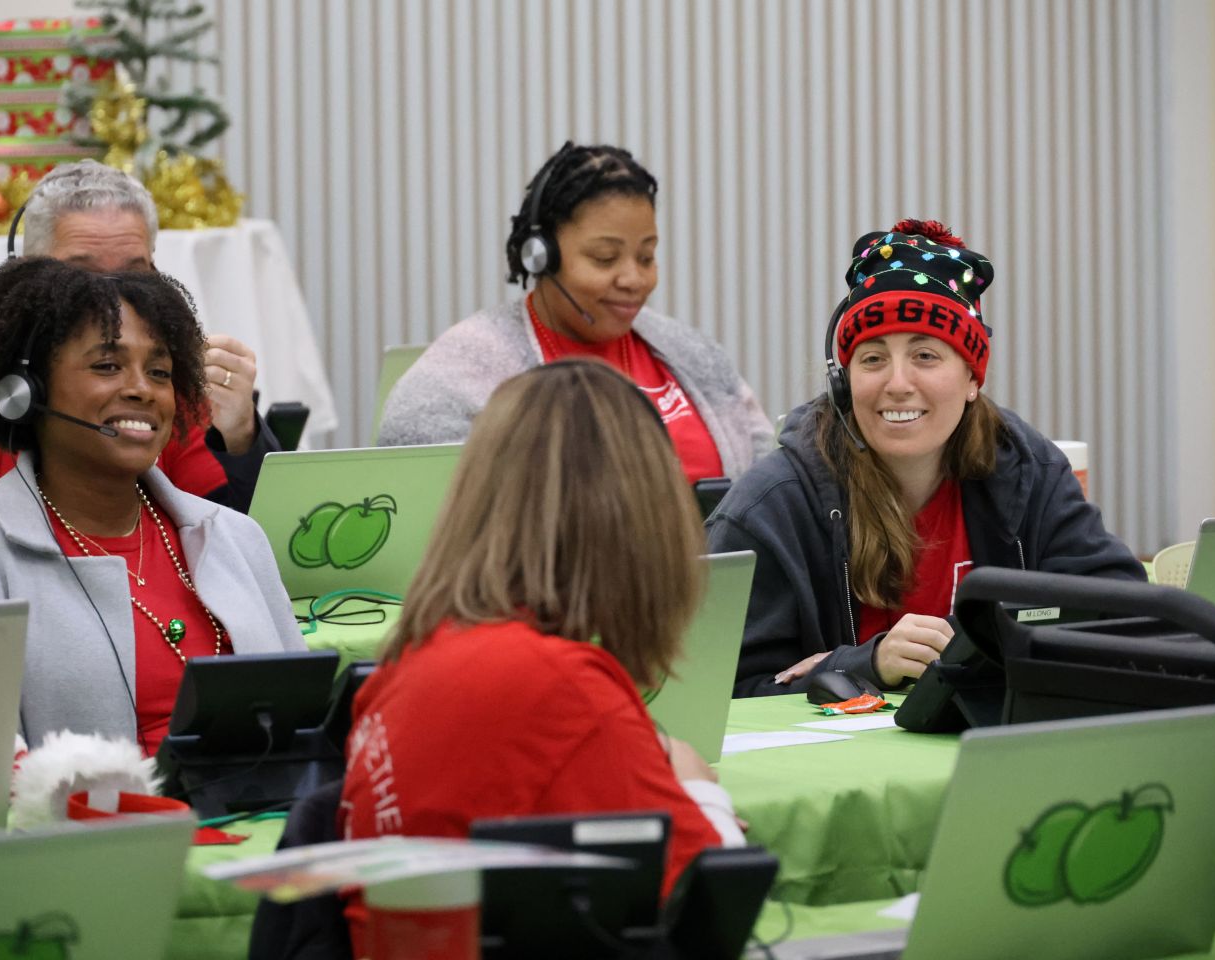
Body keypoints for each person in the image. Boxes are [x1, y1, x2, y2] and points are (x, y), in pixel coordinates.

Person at [341, 360, 745, 951]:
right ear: (643, 521)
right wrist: (693, 786)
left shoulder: (413, 660)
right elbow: (715, 908)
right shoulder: (562, 686)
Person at [707, 219, 1146, 698]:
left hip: (991, 754)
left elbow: (1121, 612)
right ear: (844, 382)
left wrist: (976, 649)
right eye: (873, 359)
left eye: (926, 356)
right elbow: (713, 696)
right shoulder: (771, 507)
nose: (897, 383)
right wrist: (863, 665)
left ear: (972, 378)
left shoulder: (1028, 472)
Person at [0, 159, 278, 610]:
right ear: (24, 280)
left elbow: (242, 557)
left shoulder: (161, 382)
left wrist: (240, 442)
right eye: (81, 278)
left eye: (134, 276)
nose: (113, 304)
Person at [0, 257, 302, 753]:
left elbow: (299, 726)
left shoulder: (235, 539)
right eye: (107, 366)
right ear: (25, 393)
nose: (141, 389)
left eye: (159, 372)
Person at [376, 141, 772, 483]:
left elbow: (764, 482)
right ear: (539, 256)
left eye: (647, 256)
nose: (634, 278)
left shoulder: (691, 355)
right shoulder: (459, 375)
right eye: (605, 258)